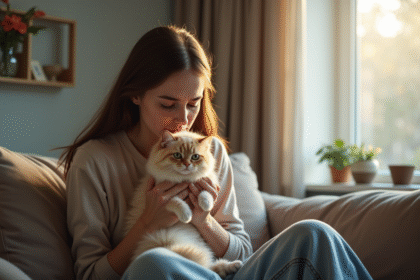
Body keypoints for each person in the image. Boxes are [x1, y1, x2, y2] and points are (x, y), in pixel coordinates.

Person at [60, 25, 373, 280]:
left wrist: (203, 219)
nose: (183, 119)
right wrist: (147, 223)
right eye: (168, 104)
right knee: (155, 263)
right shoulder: (94, 161)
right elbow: (89, 274)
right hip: (159, 273)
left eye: (193, 104)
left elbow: (241, 253)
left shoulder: (209, 153)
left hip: (221, 273)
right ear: (136, 95)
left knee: (315, 234)